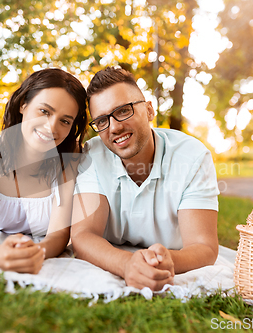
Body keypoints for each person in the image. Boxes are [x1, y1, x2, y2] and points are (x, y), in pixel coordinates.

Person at [71, 67, 219, 291]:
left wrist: (169, 261)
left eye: (123, 111)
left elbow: (204, 246)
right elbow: (83, 235)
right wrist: (127, 264)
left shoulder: (193, 156)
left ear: (149, 111)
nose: (114, 127)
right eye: (102, 121)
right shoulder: (92, 154)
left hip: (170, 254)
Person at [0, 68, 87, 274]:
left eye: (65, 121)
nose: (52, 127)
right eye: (44, 111)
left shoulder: (70, 154)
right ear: (23, 104)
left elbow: (58, 235)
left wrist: (34, 251)